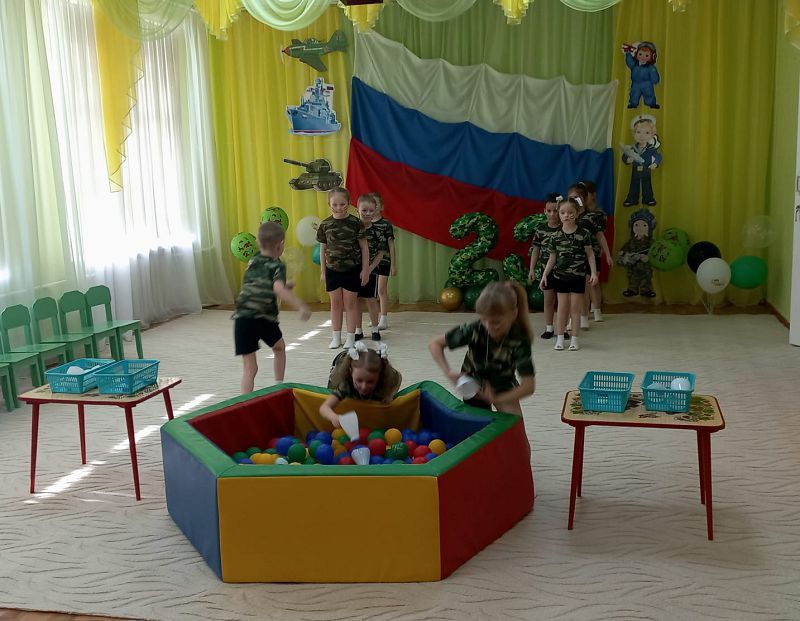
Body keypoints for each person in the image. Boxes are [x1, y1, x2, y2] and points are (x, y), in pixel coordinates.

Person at [428, 281, 535, 416]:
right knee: (477, 425)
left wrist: (496, 399)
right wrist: (448, 371)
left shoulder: (519, 340)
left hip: (503, 386)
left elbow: (528, 386)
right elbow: (434, 344)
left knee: (514, 425)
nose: (489, 327)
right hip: (472, 385)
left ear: (514, 314)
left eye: (496, 322)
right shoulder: (475, 329)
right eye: (484, 319)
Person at [232, 221, 311, 393]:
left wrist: (284, 286)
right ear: (280, 245)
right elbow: (277, 289)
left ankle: (245, 402)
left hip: (242, 318)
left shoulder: (253, 260)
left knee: (249, 368)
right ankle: (278, 386)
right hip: (262, 317)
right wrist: (300, 305)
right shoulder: (277, 265)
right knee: (279, 348)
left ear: (258, 242)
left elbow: (260, 284)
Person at [539, 197, 598, 351]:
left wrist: (593, 272)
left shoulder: (583, 234)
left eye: (570, 212)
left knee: (575, 309)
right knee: (562, 309)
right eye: (563, 212)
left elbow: (590, 254)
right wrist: (545, 274)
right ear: (559, 214)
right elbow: (552, 258)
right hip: (560, 277)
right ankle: (559, 338)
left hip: (578, 277)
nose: (566, 215)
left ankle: (575, 339)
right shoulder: (555, 236)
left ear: (577, 213)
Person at [316, 187, 369, 350]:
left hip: (352, 269)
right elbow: (323, 249)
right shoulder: (325, 224)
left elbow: (364, 247)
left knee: (350, 304)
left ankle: (351, 337)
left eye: (342, 204)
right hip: (332, 270)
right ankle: (336, 337)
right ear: (329, 204)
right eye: (335, 205)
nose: (338, 208)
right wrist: (323, 271)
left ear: (349, 203)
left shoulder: (356, 223)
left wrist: (365, 269)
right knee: (335, 304)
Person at [319, 341, 403, 428]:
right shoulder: (346, 385)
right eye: (359, 380)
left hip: (386, 380)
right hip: (342, 364)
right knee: (334, 384)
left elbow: (396, 381)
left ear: (380, 376)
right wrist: (334, 418)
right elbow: (324, 407)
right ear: (351, 372)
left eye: (370, 382)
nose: (364, 387)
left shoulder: (387, 382)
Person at [572, 181, 613, 323]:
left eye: (582, 196)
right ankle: (582, 313)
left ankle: (596, 309)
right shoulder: (572, 215)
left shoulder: (595, 215)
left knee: (592, 283)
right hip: (576, 256)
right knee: (581, 285)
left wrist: (606, 254)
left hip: (593, 253)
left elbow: (600, 235)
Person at [528, 193, 564, 340]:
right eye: (549, 211)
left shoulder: (565, 229)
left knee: (563, 302)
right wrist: (532, 268)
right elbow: (535, 250)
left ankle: (563, 328)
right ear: (544, 211)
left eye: (556, 211)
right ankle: (549, 328)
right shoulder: (541, 230)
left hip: (564, 271)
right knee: (548, 300)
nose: (552, 214)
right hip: (546, 271)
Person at [353, 194, 384, 342]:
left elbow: (381, 253)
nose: (367, 213)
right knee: (356, 300)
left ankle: (375, 329)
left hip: (371, 271)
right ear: (357, 210)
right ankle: (358, 330)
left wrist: (370, 268)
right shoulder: (353, 229)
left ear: (376, 210)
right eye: (364, 210)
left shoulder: (377, 231)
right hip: (354, 271)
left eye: (371, 210)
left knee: (371, 299)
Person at [621, 114, 662, 207]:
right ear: (634, 134)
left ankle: (648, 198)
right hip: (635, 169)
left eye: (646, 133)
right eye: (638, 132)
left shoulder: (651, 148)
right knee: (634, 184)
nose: (642, 136)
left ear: (652, 135)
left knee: (646, 184)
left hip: (646, 169)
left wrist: (655, 164)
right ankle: (632, 199)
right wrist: (628, 159)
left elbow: (658, 156)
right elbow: (624, 156)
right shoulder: (632, 148)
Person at [370, 192, 396, 331]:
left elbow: (391, 245)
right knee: (371, 292)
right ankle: (375, 318)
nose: (373, 208)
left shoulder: (386, 224)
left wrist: (393, 264)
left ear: (381, 207)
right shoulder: (365, 224)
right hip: (369, 263)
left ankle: (384, 319)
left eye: (376, 204)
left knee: (381, 289)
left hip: (384, 261)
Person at [623, 41, 660, 109]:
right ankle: (633, 103)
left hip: (647, 84)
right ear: (636, 54)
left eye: (646, 55)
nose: (643, 57)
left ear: (652, 57)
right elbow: (629, 62)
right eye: (640, 54)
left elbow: (654, 74)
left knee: (649, 94)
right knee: (634, 93)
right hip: (636, 83)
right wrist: (628, 54)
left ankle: (651, 103)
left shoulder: (650, 68)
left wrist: (655, 80)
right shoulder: (635, 65)